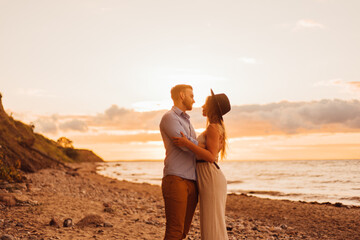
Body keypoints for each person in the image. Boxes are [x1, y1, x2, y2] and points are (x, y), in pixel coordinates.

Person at [172, 89, 231, 240]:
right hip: (208, 176)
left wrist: (187, 143)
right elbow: (209, 150)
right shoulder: (215, 127)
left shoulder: (212, 128)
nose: (202, 106)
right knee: (212, 221)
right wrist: (198, 146)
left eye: (206, 103)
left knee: (212, 222)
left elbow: (211, 156)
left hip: (210, 176)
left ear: (212, 108)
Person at [159, 84, 201, 240]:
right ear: (182, 95)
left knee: (183, 232)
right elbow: (185, 147)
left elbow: (190, 144)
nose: (194, 100)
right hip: (176, 179)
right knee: (175, 231)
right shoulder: (169, 117)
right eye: (191, 96)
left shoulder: (188, 122)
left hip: (191, 180)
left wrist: (191, 142)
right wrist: (201, 146)